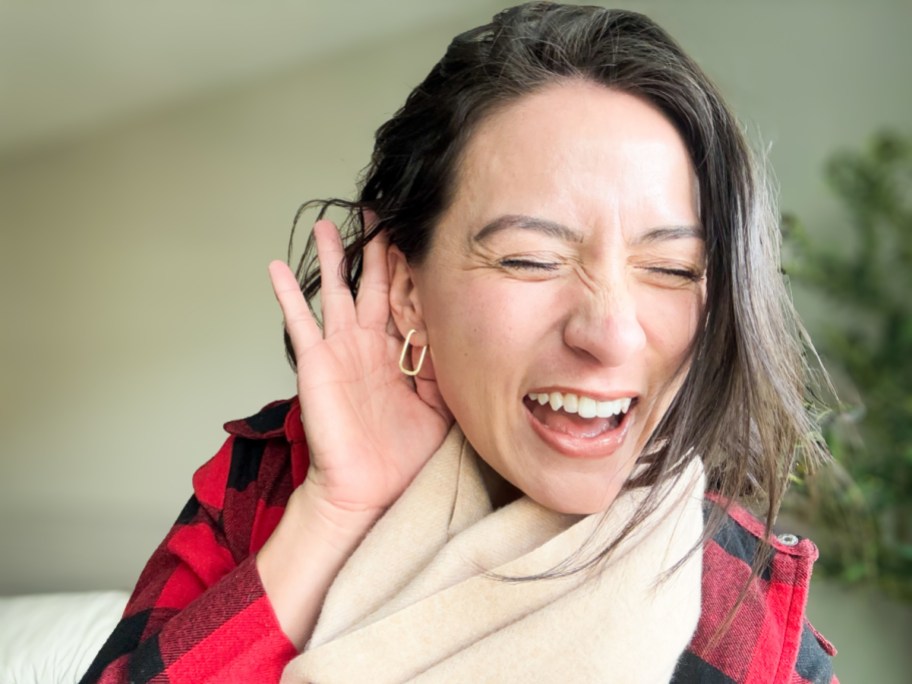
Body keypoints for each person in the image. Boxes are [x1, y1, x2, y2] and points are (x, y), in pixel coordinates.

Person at [81, 3, 838, 682]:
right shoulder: (267, 488)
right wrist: (335, 515)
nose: (610, 332)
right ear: (408, 291)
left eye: (672, 268)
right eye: (530, 260)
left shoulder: (753, 616)